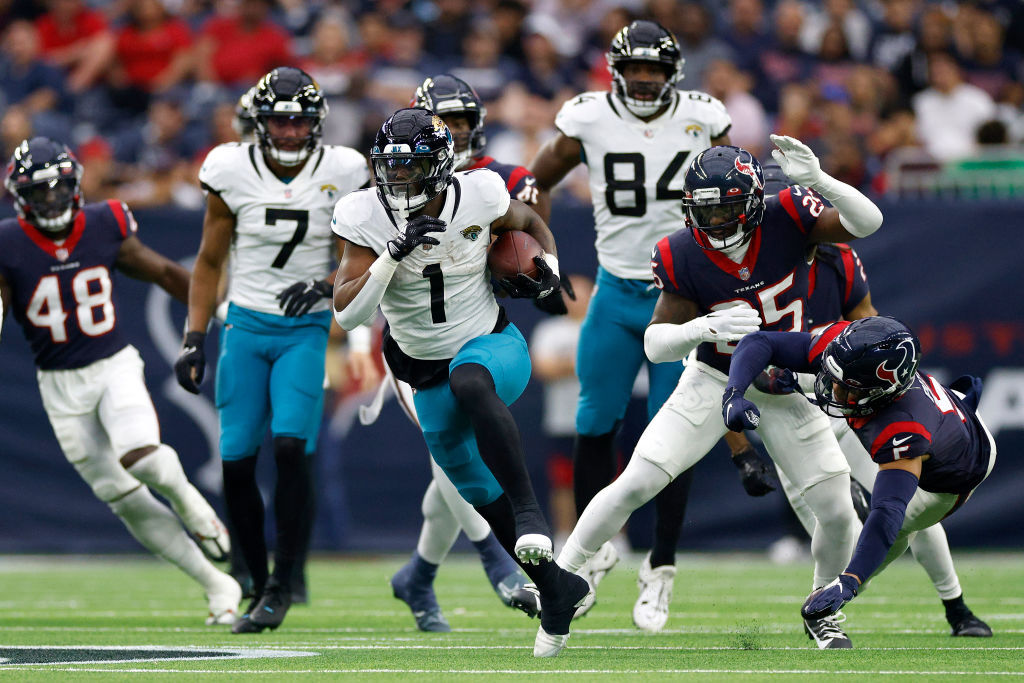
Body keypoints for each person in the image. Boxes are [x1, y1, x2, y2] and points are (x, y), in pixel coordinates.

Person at [555, 138, 886, 653]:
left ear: (753, 202)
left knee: (840, 512)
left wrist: (818, 180)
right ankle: (559, 578)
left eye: (727, 209)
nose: (715, 221)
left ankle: (823, 607)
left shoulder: (788, 214)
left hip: (787, 386)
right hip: (714, 377)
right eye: (705, 210)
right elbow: (655, 344)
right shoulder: (682, 252)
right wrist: (702, 328)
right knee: (637, 480)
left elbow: (868, 222)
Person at [332, 107, 589, 657]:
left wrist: (548, 265)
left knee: (470, 380)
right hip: (421, 369)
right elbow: (348, 314)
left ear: (440, 166)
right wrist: (391, 254)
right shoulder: (363, 213)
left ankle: (531, 513)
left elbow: (530, 222)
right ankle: (555, 588)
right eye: (391, 167)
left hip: (492, 347)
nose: (398, 178)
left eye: (411, 166)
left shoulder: (480, 192)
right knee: (468, 487)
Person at [528, 19, 734, 631]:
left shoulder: (703, 116)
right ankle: (591, 554)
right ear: (616, 72)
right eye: (635, 69)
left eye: (654, 69)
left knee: (675, 436)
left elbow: (738, 185)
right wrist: (543, 258)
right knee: (593, 423)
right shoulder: (588, 116)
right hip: (616, 293)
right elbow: (535, 184)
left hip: (680, 296)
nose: (644, 79)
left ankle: (661, 566)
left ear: (673, 73)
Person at [741, 164, 991, 637]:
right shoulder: (723, 266)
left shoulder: (838, 259)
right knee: (834, 517)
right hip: (794, 393)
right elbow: (717, 367)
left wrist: (852, 370)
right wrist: (740, 444)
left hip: (840, 378)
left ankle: (952, 605)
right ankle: (827, 609)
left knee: (900, 510)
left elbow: (870, 326)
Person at [0, 136, 240, 625]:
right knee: (123, 498)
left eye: (57, 188)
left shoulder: (103, 223)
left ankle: (194, 507)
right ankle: (218, 584)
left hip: (113, 365)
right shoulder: (8, 243)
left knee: (140, 455)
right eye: (39, 192)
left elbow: (164, 272)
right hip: (59, 386)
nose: (51, 200)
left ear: (74, 185)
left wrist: (222, 313)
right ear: (21, 198)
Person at [174, 66, 370, 634]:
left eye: (299, 121)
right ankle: (255, 580)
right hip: (245, 327)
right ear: (260, 122)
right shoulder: (230, 167)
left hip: (304, 330)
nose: (288, 131)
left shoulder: (343, 169)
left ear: (317, 123)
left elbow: (359, 253)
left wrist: (327, 286)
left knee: (289, 447)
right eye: (279, 121)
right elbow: (209, 260)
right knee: (235, 459)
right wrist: (194, 337)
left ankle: (284, 582)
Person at [359, 74, 549, 633]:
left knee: (451, 467)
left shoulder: (496, 182)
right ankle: (499, 563)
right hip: (416, 346)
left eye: (463, 121)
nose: (458, 130)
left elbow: (529, 233)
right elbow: (354, 269)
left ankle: (418, 575)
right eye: (448, 121)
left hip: (475, 331)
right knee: (449, 457)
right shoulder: (382, 192)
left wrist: (540, 273)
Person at [722, 317, 997, 638]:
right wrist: (734, 393)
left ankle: (957, 609)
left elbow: (889, 511)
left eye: (846, 385)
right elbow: (760, 342)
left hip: (947, 482)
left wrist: (850, 581)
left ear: (879, 391)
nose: (833, 388)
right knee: (835, 393)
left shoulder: (904, 427)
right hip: (915, 420)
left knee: (893, 537)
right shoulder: (847, 351)